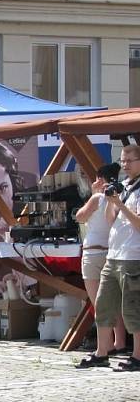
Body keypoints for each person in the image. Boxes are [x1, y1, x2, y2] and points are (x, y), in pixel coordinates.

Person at [78, 146, 140, 371]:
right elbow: (110, 220)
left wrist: (120, 204)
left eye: (130, 161)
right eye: (122, 161)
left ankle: (137, 356)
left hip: (133, 255)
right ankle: (102, 352)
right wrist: (107, 199)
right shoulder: (123, 187)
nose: (125, 166)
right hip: (113, 253)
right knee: (103, 305)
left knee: (132, 309)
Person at [75, 163, 127, 360]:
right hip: (112, 251)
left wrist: (92, 194)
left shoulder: (97, 197)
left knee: (100, 302)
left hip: (93, 252)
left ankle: (104, 347)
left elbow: (80, 216)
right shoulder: (120, 196)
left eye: (96, 179)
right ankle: (119, 341)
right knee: (116, 300)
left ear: (102, 179)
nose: (94, 182)